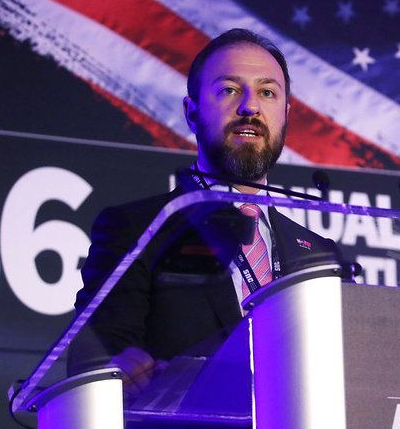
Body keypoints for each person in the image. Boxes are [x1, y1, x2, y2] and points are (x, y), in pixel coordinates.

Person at [67, 28, 343, 391]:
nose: (250, 107)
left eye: (267, 92)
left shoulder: (320, 255)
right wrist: (119, 372)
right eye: (229, 90)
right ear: (192, 112)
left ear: (286, 115)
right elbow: (100, 360)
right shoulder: (139, 229)